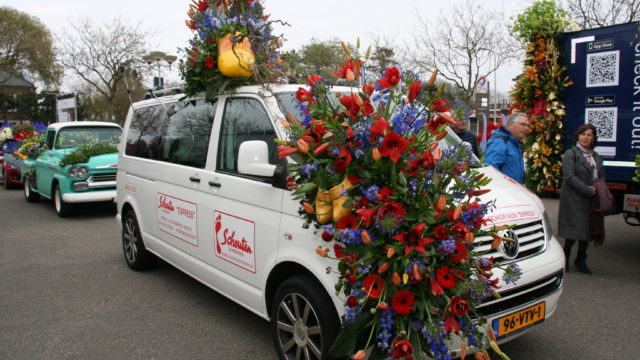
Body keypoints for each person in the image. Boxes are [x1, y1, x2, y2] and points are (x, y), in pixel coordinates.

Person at [558, 124, 605, 274]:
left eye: (589, 135)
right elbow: (569, 176)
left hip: (591, 197)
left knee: (587, 230)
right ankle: (564, 258)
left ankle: (581, 260)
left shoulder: (596, 156)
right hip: (574, 198)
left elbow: (601, 175)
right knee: (574, 230)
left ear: (593, 138)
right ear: (578, 136)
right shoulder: (571, 153)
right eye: (583, 134)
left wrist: (598, 188)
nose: (585, 137)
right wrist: (586, 190)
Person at [484, 112, 529, 184]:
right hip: (504, 191)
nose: (526, 128)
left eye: (527, 125)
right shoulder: (499, 141)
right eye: (523, 124)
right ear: (511, 125)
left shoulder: (515, 143)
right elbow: (491, 170)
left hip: (514, 191)